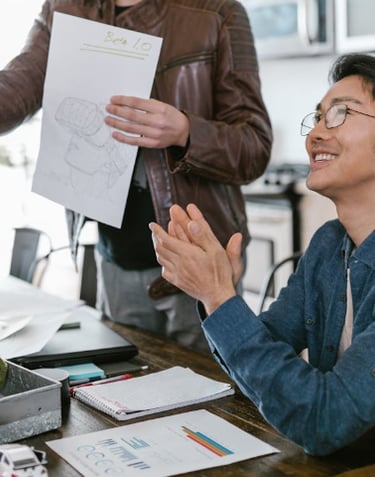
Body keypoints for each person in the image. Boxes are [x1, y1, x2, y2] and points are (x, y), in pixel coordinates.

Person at [0, 0, 272, 352]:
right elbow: (15, 89)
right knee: (122, 393)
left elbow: (255, 147)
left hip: (202, 262)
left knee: (212, 394)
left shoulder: (217, 10)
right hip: (115, 261)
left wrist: (186, 132)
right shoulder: (64, 8)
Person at [149, 52, 375, 455]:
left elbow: (326, 419)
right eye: (319, 117)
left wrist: (220, 298)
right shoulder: (328, 244)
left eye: (341, 114)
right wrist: (217, 294)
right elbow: (258, 362)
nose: (316, 134)